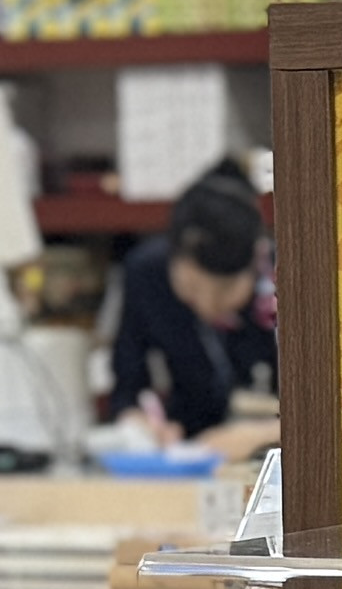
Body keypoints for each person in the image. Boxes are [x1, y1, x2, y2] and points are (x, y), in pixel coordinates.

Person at [102, 163, 275, 444]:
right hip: (188, 443)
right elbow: (128, 384)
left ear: (255, 264)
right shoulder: (146, 273)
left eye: (225, 290)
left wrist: (263, 435)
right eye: (193, 289)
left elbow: (327, 403)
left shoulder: (282, 283)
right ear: (173, 256)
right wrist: (139, 424)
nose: (208, 305)